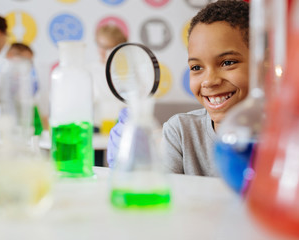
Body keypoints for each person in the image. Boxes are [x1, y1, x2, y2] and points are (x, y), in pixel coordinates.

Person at [107, 0, 250, 176]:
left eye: (228, 62)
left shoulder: (286, 136)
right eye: (196, 67)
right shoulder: (180, 132)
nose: (209, 81)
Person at [88, 24, 128, 134]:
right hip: (95, 126)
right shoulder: (89, 69)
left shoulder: (127, 71)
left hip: (120, 125)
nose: (104, 51)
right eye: (101, 46)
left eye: (109, 47)